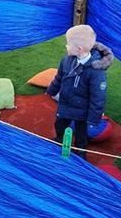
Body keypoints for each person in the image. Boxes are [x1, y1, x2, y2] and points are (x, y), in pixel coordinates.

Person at [46, 25, 114, 159]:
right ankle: (59, 140)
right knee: (59, 124)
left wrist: (94, 118)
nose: (66, 46)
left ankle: (81, 151)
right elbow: (59, 77)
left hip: (82, 110)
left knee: (81, 132)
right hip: (65, 104)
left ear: (79, 49)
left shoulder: (96, 71)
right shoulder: (66, 60)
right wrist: (51, 90)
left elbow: (98, 97)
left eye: (68, 44)